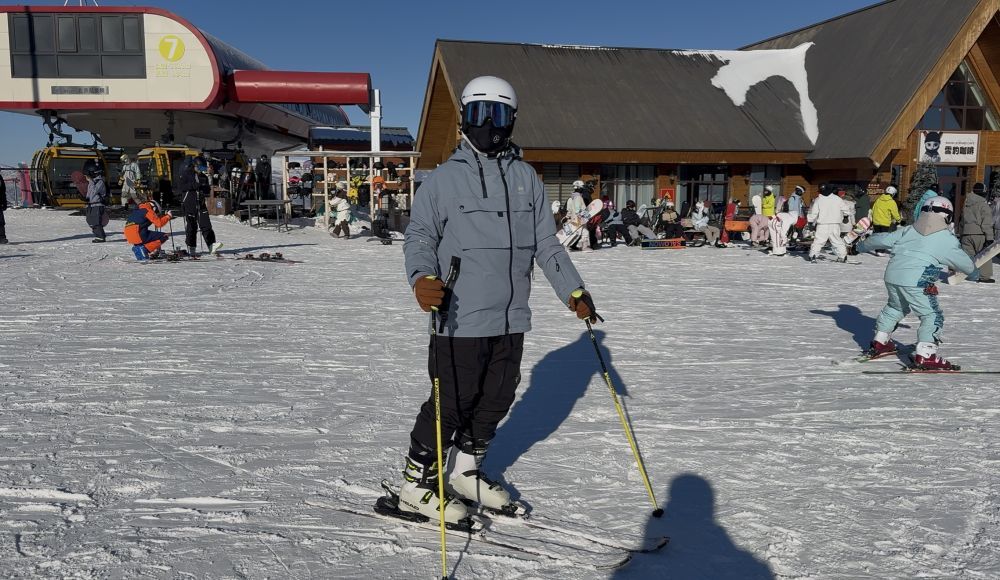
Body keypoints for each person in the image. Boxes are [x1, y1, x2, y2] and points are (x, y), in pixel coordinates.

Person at [400, 75, 595, 524]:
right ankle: (416, 482)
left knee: (496, 397)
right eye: (479, 114)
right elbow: (420, 236)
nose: (489, 125)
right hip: (459, 316)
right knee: (451, 400)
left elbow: (546, 244)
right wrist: (421, 277)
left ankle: (465, 470)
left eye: (499, 115)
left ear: (512, 121)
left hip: (510, 316)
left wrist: (574, 289)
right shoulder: (444, 180)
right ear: (465, 119)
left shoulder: (526, 179)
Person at [857, 196, 977, 370]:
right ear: (948, 216)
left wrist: (861, 246)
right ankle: (926, 354)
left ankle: (880, 342)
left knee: (895, 307)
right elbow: (963, 262)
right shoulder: (946, 238)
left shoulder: (908, 230)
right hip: (918, 279)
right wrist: (974, 273)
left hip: (892, 275)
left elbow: (882, 239)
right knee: (931, 315)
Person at [179, 156, 223, 256]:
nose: (202, 170)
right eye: (200, 168)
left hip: (201, 203)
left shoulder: (203, 176)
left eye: (203, 168)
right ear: (195, 166)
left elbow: (207, 189)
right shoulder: (186, 174)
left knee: (206, 226)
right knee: (192, 227)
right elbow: (180, 187)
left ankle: (212, 246)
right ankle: (191, 247)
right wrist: (193, 186)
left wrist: (206, 185)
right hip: (189, 203)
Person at [959, 182, 995, 283]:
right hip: (979, 234)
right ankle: (985, 276)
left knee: (968, 256)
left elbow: (961, 221)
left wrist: (961, 234)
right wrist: (989, 237)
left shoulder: (966, 205)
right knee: (985, 254)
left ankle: (970, 275)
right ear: (984, 193)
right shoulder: (983, 205)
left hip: (966, 234)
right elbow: (986, 222)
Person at [807, 184, 849, 262]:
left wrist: (810, 222)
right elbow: (846, 209)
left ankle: (813, 255)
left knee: (819, 241)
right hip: (835, 224)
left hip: (822, 224)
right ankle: (843, 256)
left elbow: (813, 213)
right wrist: (846, 216)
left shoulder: (818, 200)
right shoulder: (837, 199)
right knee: (837, 241)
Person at [870, 185, 902, 257]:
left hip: (876, 221)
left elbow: (873, 209)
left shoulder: (878, 200)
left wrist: (873, 219)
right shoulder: (891, 202)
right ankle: (880, 251)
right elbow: (895, 213)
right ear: (893, 194)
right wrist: (899, 220)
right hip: (885, 222)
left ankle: (877, 250)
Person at [82, 160, 109, 243]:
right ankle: (99, 235)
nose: (86, 177)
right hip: (91, 204)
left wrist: (91, 180)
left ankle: (100, 236)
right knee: (90, 220)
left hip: (97, 205)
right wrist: (86, 198)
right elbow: (90, 193)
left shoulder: (99, 181)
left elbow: (94, 191)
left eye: (87, 175)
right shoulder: (91, 182)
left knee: (95, 221)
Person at [564, 187, 591, 251]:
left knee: (585, 232)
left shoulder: (570, 198)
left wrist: (567, 217)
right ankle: (566, 245)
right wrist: (586, 215)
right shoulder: (578, 197)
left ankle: (585, 247)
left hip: (574, 218)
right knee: (577, 233)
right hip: (580, 218)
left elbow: (569, 210)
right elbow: (578, 210)